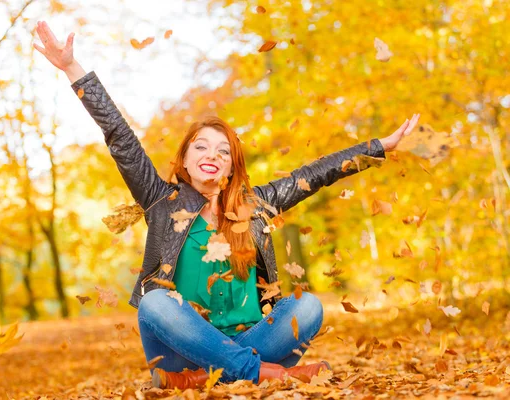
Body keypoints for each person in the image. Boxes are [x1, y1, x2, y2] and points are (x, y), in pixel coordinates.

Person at [34, 21, 420, 389]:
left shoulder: (258, 204)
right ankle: (273, 375)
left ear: (232, 165)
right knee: (154, 303)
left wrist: (378, 148)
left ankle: (202, 381)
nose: (211, 155)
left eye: (223, 151)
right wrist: (72, 68)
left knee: (309, 308)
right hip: (178, 350)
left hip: (251, 339)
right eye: (200, 146)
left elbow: (315, 174)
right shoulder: (160, 200)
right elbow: (119, 136)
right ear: (184, 159)